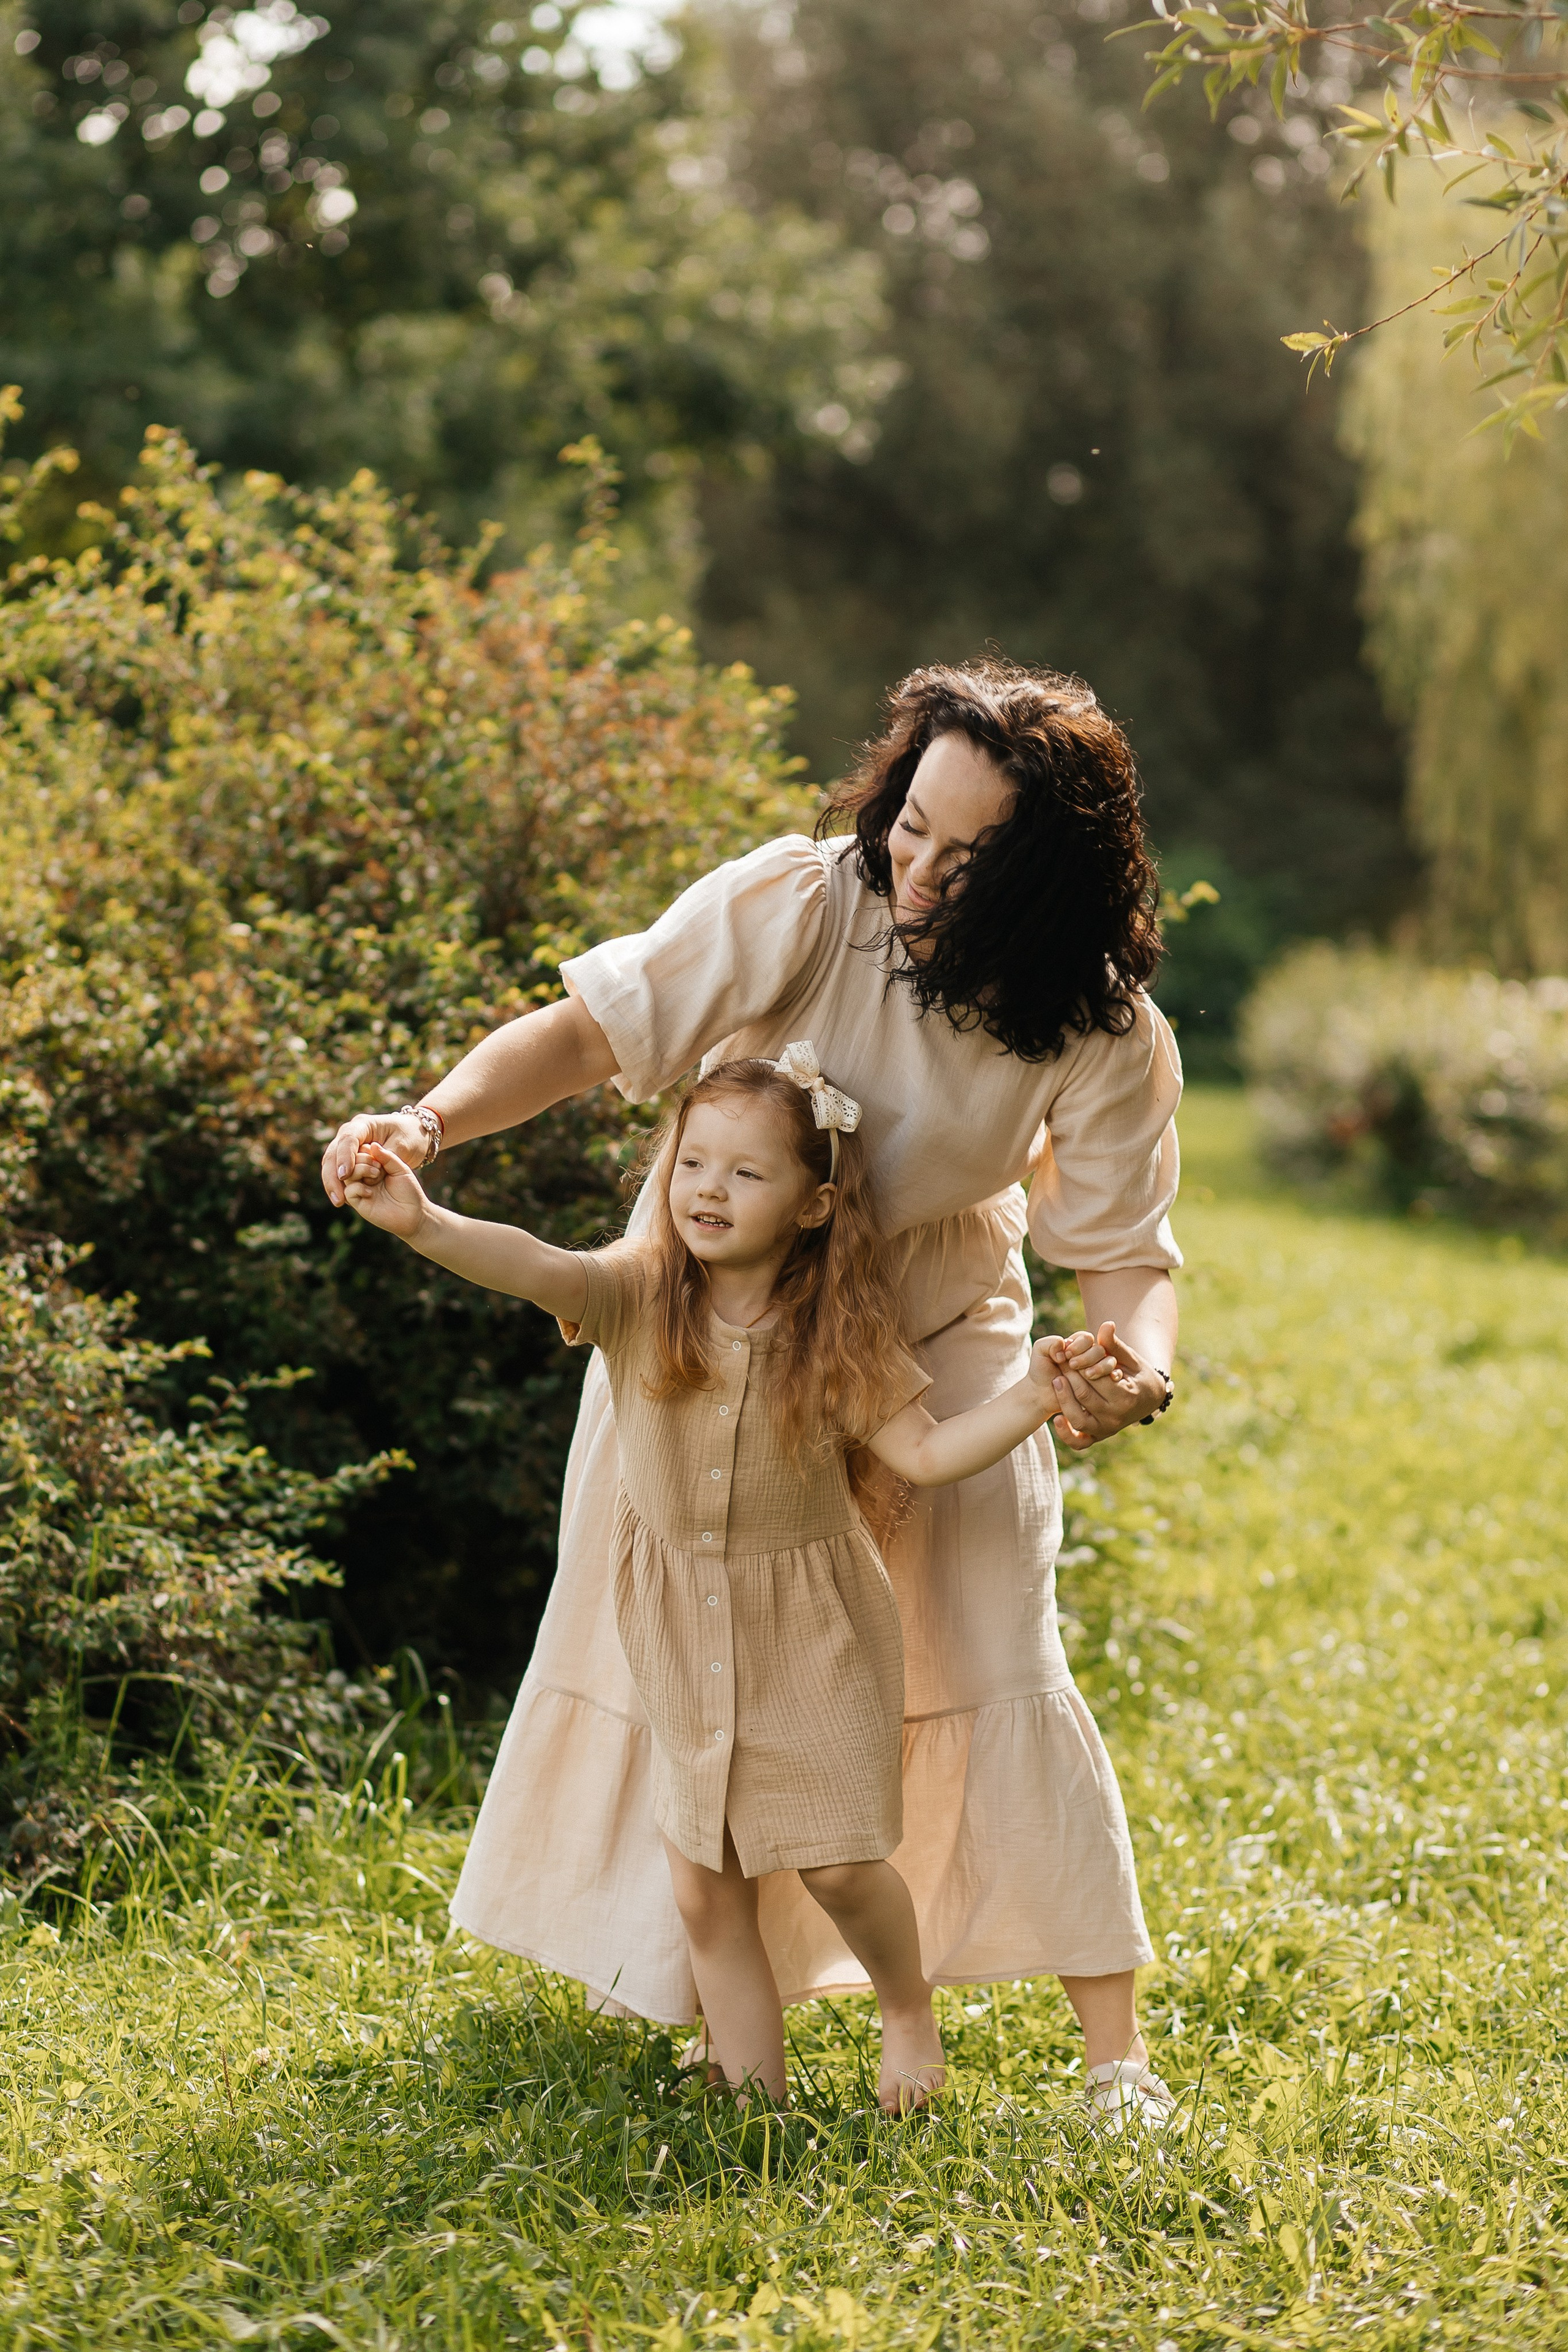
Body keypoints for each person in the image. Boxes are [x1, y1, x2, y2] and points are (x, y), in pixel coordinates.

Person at [322, 658, 1183, 2131]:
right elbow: (591, 1030)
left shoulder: (1098, 1029)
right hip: (707, 1321)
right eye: (910, 827)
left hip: (928, 1313)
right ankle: (714, 2018)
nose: (916, 871)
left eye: (966, 858)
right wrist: (430, 1117)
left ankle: (1114, 2066)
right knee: (691, 1640)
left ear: (1045, 875)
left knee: (988, 1633)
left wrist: (1131, 1369)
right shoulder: (804, 902)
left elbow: (1126, 1257)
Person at [342, 1049, 1102, 2110]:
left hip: (817, 1629)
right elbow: (533, 1264)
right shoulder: (637, 1296)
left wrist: (1033, 1395)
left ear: (813, 1205)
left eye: (746, 1174)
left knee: (838, 1863)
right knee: (706, 1884)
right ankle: (752, 2101)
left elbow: (926, 1455)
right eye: (693, 1163)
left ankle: (904, 2006)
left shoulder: (841, 1337)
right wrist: (422, 1223)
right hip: (681, 1626)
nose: (708, 1189)